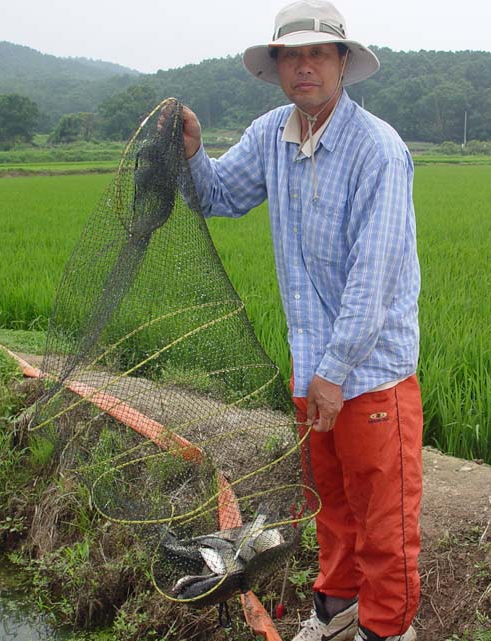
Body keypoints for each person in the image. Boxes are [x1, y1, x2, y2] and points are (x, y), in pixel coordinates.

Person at [179, 2, 422, 640]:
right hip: (311, 370)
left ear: (343, 63)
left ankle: (387, 631)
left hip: (370, 375)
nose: (304, 66)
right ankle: (335, 613)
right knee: (329, 503)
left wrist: (335, 373)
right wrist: (193, 154)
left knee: (384, 517)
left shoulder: (377, 150)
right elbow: (219, 195)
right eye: (291, 56)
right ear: (278, 67)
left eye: (317, 54)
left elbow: (374, 277)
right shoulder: (272, 134)